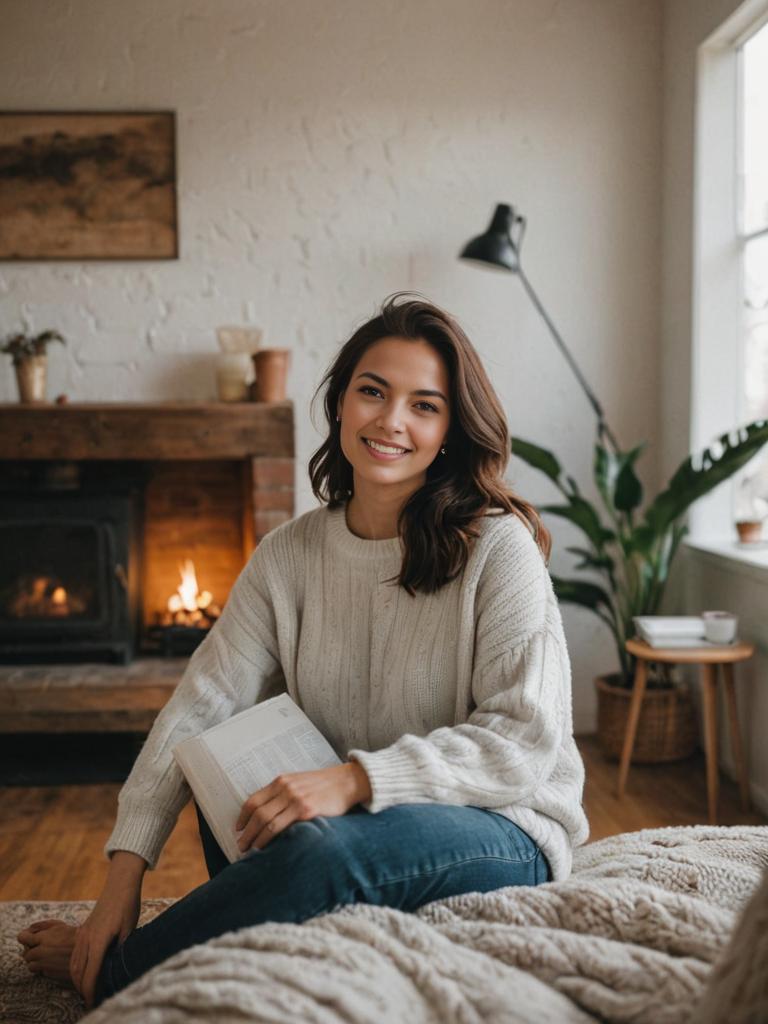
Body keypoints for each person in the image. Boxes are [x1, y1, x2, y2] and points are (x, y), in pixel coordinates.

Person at [19, 294, 589, 1008]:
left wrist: (354, 781)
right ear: (341, 403)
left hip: (502, 826)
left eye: (424, 405)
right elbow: (199, 708)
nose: (390, 421)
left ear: (450, 430)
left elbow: (523, 741)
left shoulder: (497, 547)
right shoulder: (289, 554)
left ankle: (121, 973)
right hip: (350, 823)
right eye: (372, 392)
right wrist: (121, 876)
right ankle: (284, 946)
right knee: (224, 768)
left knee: (317, 850)